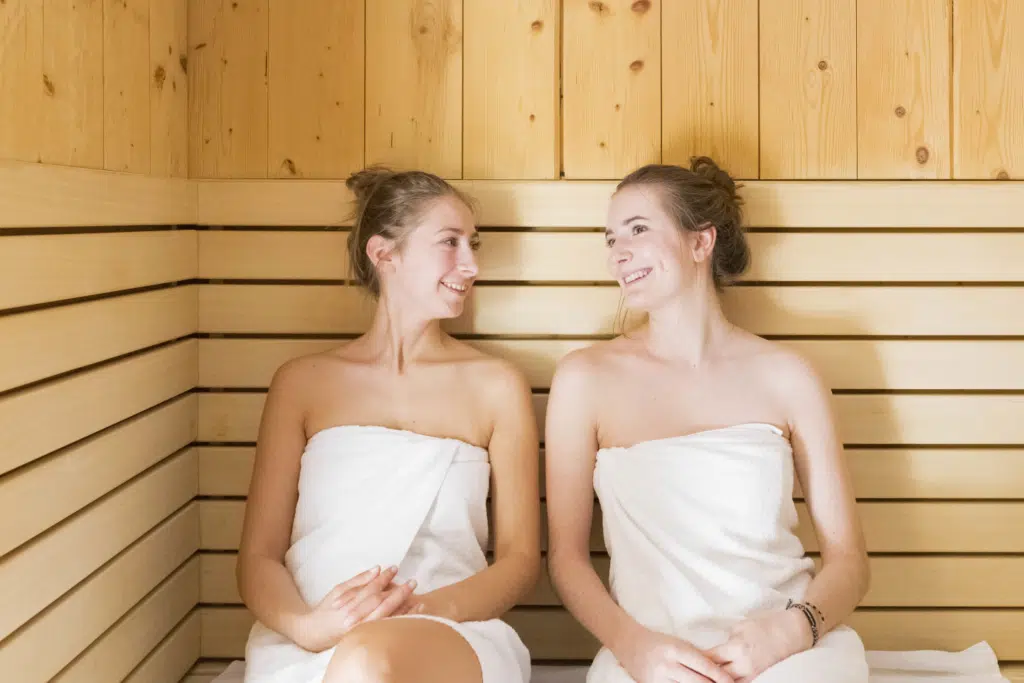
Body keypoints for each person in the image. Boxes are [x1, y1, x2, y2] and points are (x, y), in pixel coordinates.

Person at [544, 157, 871, 683]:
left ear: (701, 242)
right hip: (651, 653)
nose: (617, 254)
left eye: (638, 229)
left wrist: (794, 630)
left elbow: (849, 561)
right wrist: (634, 646)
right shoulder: (584, 379)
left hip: (788, 650)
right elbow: (567, 559)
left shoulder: (788, 376)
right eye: (609, 239)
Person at [236, 167, 540, 683]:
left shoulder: (496, 386)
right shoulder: (303, 384)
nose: (472, 265)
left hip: (450, 632)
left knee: (369, 662)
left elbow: (519, 558)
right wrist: (309, 628)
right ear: (384, 255)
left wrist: (423, 609)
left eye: (474, 245)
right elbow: (258, 556)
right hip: (312, 635)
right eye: (450, 242)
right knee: (359, 661)